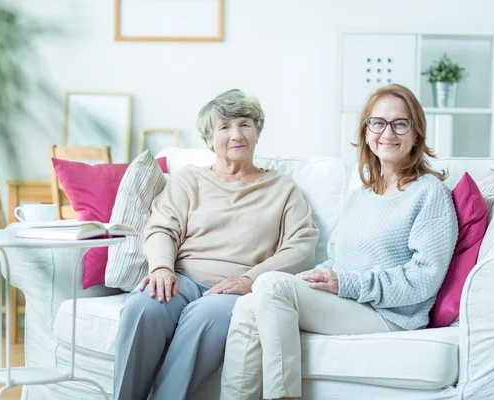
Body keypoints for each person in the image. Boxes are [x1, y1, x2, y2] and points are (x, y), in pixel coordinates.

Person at [220, 83, 459, 400]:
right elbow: (336, 261)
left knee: (270, 284)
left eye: (400, 123)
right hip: (350, 301)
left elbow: (423, 279)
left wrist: (345, 282)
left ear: (416, 134)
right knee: (250, 303)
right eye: (378, 122)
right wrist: (316, 277)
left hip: (392, 316)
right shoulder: (360, 197)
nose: (387, 132)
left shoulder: (430, 193)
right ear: (366, 131)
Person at [113, 89, 319, 400]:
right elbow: (161, 228)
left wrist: (251, 280)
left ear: (257, 133)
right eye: (224, 127)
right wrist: (161, 268)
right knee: (143, 306)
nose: (236, 134)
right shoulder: (189, 180)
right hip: (181, 278)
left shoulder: (282, 188)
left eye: (245, 124)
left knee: (204, 317)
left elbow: (301, 245)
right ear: (209, 139)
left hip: (235, 289)